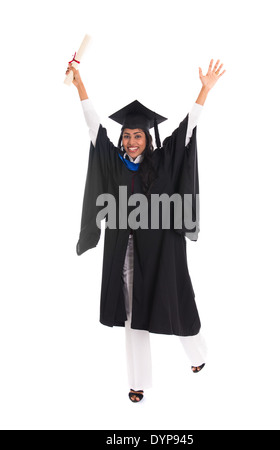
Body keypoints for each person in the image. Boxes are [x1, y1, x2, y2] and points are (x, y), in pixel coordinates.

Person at [66, 59, 225, 403]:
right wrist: (80, 86)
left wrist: (205, 90)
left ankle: (198, 355)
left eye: (138, 134)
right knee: (131, 311)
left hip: (161, 248)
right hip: (124, 248)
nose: (133, 140)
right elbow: (94, 128)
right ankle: (138, 382)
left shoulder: (163, 160)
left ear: (147, 138)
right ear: (122, 139)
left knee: (174, 300)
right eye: (128, 135)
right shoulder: (113, 162)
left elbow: (186, 129)